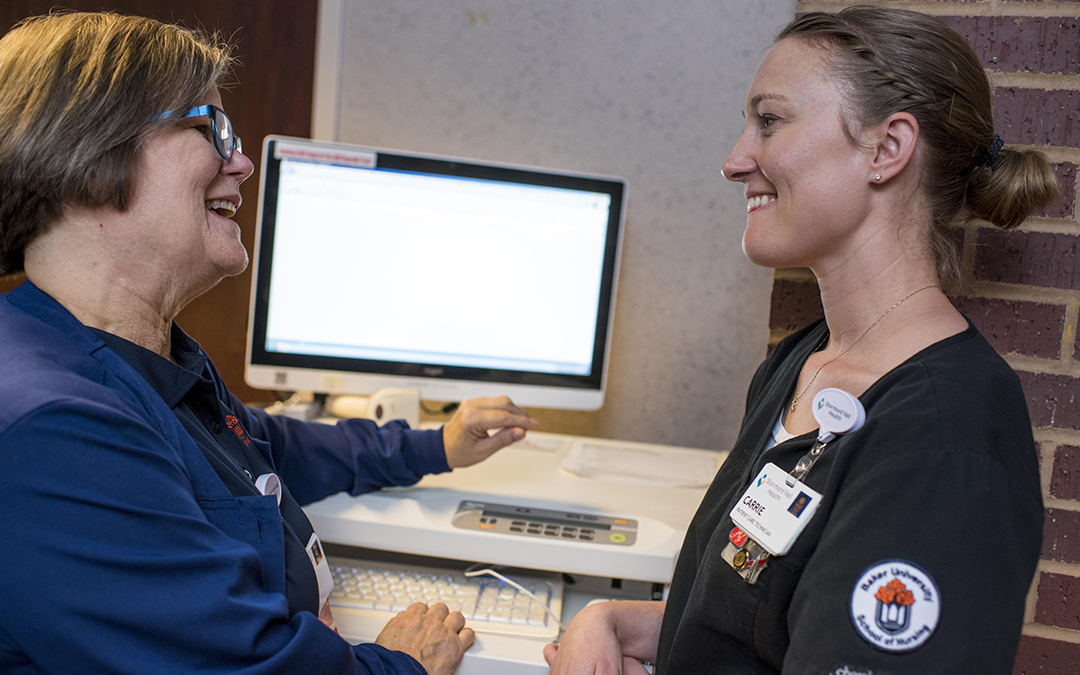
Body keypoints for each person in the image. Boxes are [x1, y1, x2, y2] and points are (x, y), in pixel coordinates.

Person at [0, 11, 538, 675]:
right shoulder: (52, 429)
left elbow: (265, 446)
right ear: (86, 153)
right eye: (208, 128)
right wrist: (404, 665)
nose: (243, 161)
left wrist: (435, 445)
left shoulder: (143, 359)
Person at [545, 6, 1057, 675]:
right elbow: (757, 617)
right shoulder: (804, 362)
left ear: (886, 149)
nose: (734, 161)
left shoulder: (945, 434)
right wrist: (609, 618)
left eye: (770, 120)